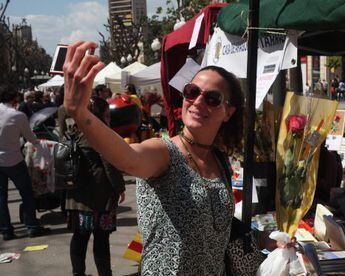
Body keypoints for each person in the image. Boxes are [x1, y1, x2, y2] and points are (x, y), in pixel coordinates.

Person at [63, 41, 244, 275]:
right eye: (192, 92)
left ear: (228, 112)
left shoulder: (220, 159)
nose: (198, 101)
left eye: (212, 98)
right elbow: (128, 157)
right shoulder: (165, 152)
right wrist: (80, 112)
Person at [65, 96, 126, 276]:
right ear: (100, 115)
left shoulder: (76, 129)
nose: (109, 119)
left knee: (79, 237)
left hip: (77, 195)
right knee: (101, 239)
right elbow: (110, 165)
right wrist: (120, 187)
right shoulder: (100, 134)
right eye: (107, 115)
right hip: (100, 197)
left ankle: (78, 273)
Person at [0, 84, 50, 241]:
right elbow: (31, 138)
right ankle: (32, 226)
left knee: (1, 196)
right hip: (13, 159)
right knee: (26, 192)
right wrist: (38, 143)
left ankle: (6, 230)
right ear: (15, 99)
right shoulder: (17, 115)